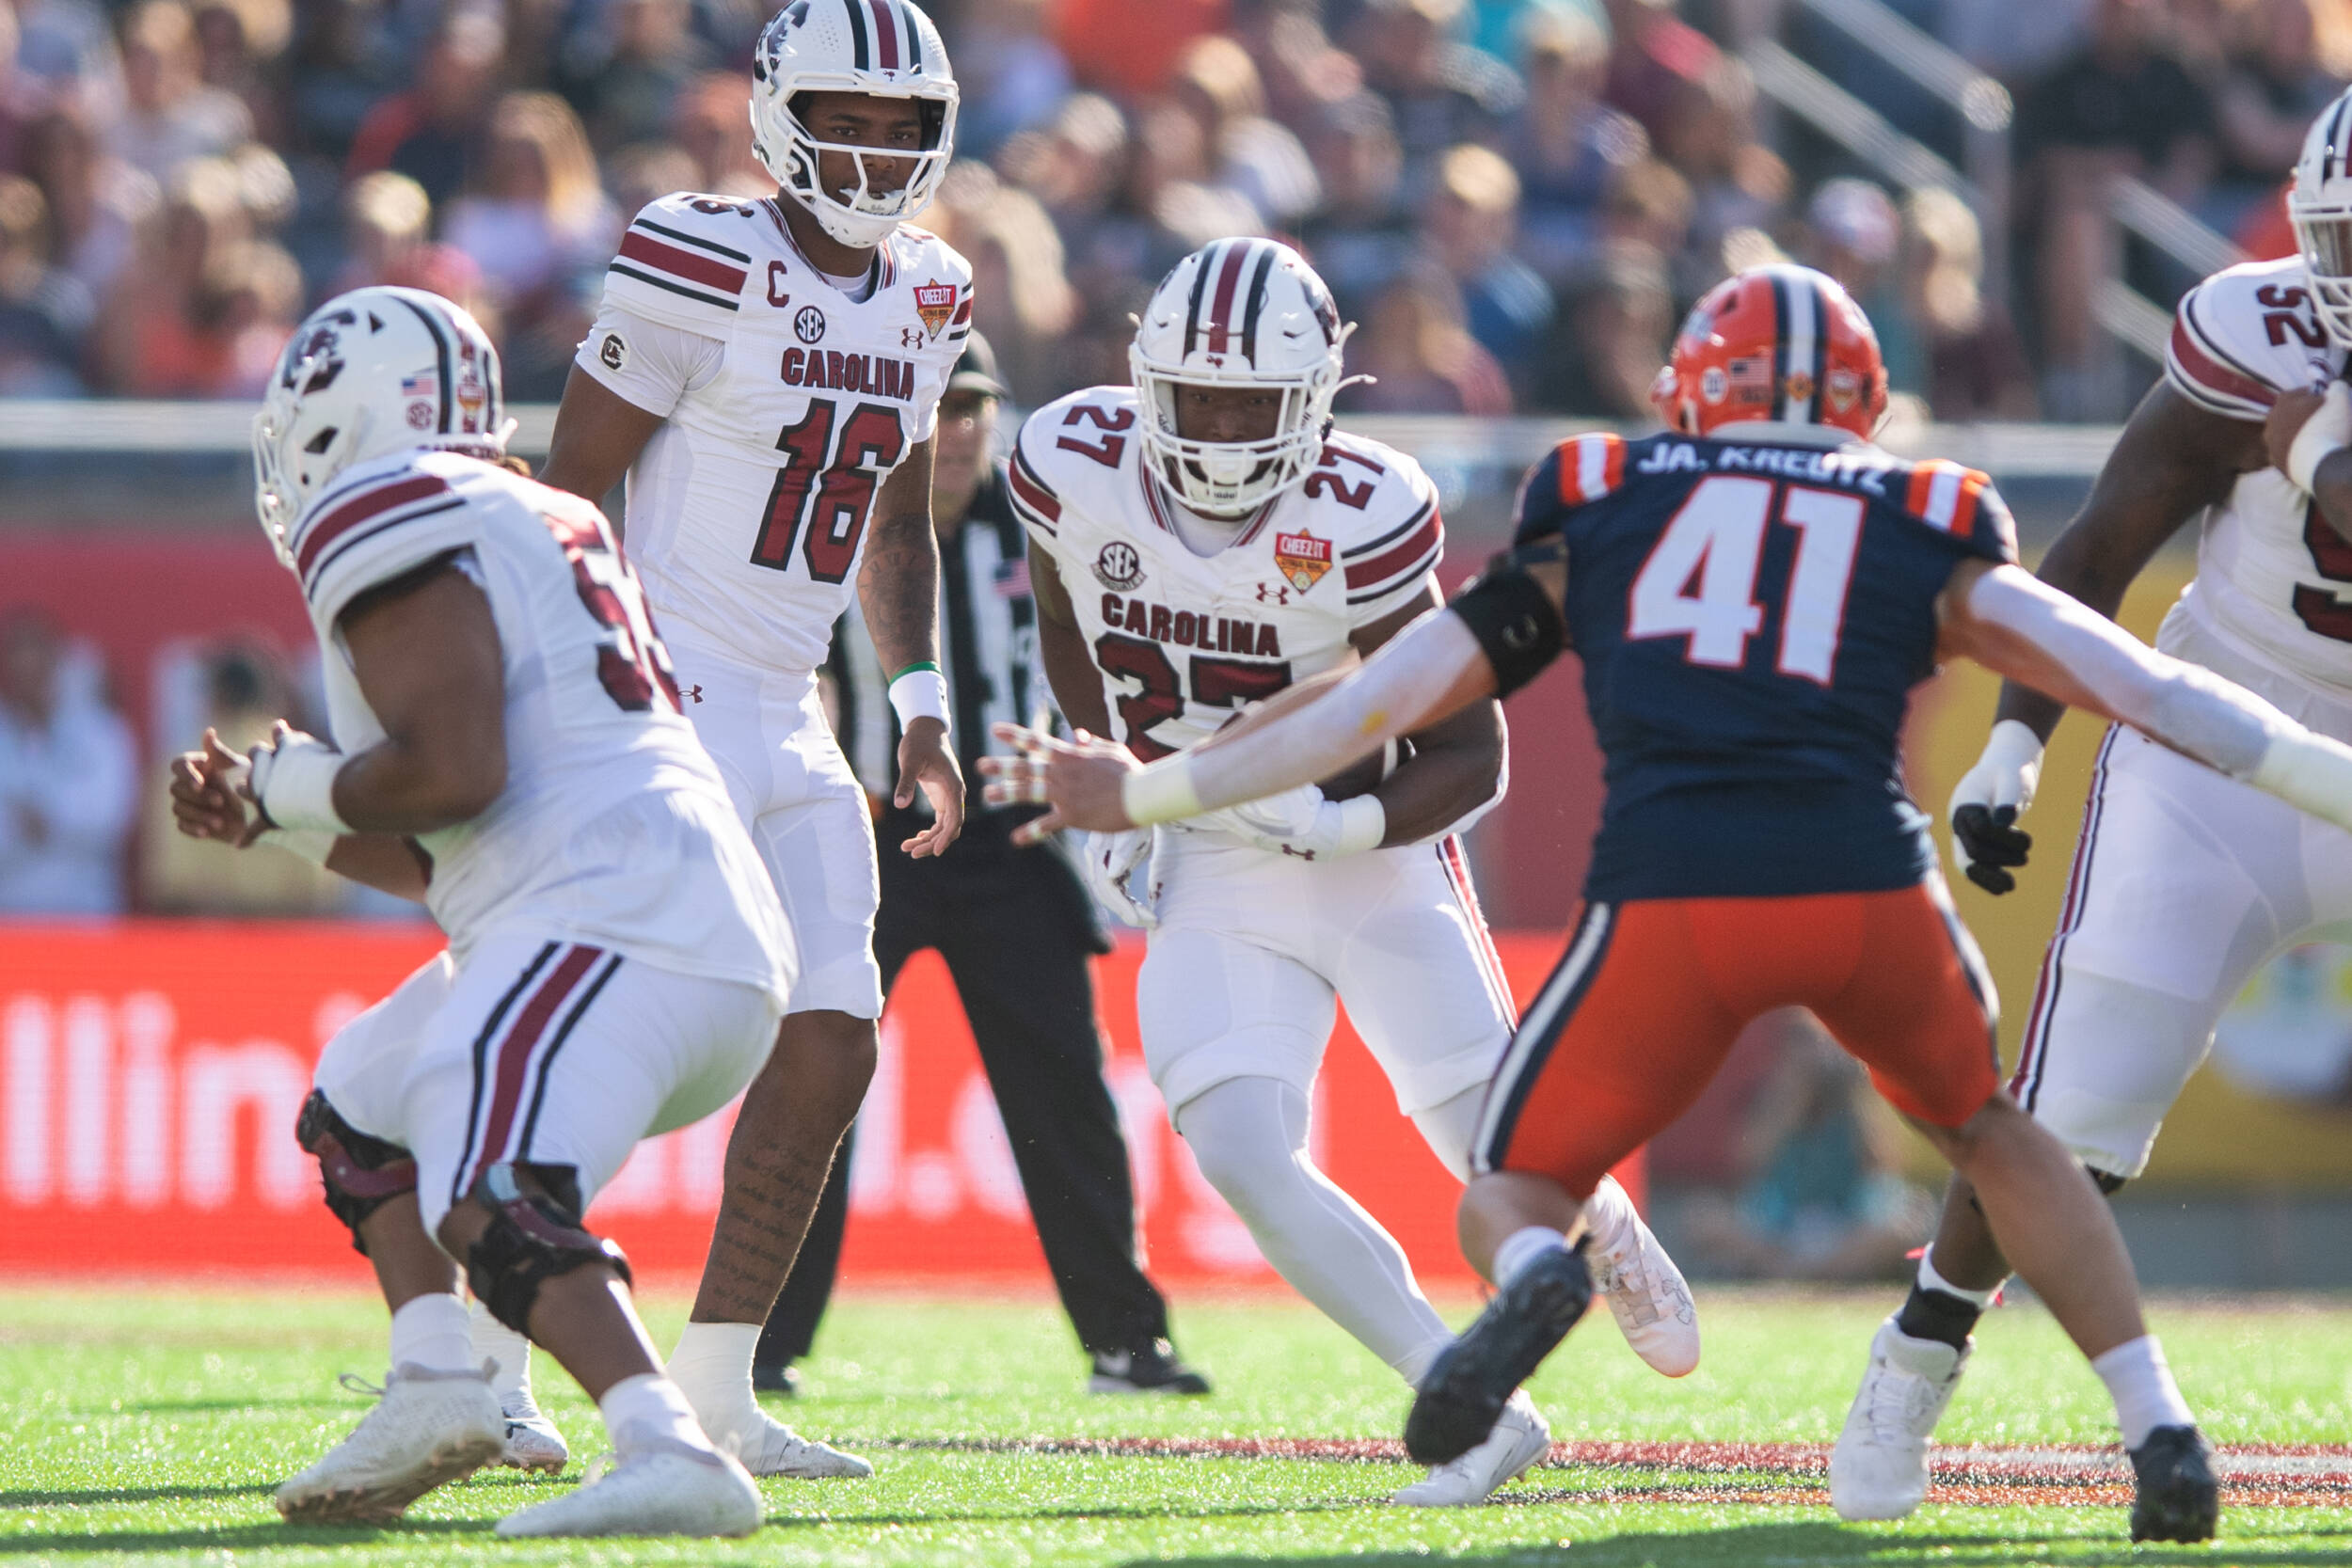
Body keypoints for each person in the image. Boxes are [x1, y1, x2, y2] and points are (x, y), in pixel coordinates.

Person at [968, 261, 2352, 1544]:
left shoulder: (1607, 497)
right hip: (1862, 886)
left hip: (1669, 896)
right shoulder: (1920, 511)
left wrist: (1151, 794)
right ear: (1868, 405)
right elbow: (2145, 681)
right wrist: (2317, 773)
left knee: (1506, 1171)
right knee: (1997, 1133)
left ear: (1686, 390)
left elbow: (1392, 699)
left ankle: (1549, 1263)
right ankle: (2154, 1411)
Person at [1002, 236, 1698, 1508]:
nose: (1213, 430)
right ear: (1144, 379)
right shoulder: (1071, 462)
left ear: (1316, 398)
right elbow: (1064, 624)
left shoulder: (1363, 511)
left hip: (1366, 850)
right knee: (1242, 1149)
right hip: (1207, 850)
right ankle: (1472, 1403)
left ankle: (1602, 1218)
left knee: (1484, 1140)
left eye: (1245, 403)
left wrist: (1325, 825)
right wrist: (1116, 774)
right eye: (1193, 397)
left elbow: (1468, 751)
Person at [169, 285, 796, 1537]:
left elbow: (458, 770)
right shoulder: (536, 512)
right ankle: (438, 1383)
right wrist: (276, 813)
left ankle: (665, 1440)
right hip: (652, 904)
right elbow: (446, 851)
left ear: (335, 415)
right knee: (362, 1104)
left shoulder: (385, 503)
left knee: (490, 1179)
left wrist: (289, 778)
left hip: (613, 910)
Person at [1829, 84, 2352, 1524]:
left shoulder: (2297, 390)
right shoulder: (2260, 329)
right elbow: (2103, 540)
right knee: (2073, 1113)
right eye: (2345, 241)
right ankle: (1918, 1350)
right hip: (2227, 756)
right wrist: (2016, 742)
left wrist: (2311, 451)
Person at [518, 0, 971, 1479]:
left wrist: (918, 705)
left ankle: (719, 1382)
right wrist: (577, 688)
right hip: (666, 684)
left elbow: (895, 515)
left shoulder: (931, 289)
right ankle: (475, 1359)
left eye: (904, 123)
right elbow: (571, 484)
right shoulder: (706, 247)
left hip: (797, 703)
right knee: (617, 1035)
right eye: (849, 114)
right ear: (783, 113)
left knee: (836, 1032)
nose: (878, 145)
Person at [754, 333, 1207, 1398]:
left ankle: (1124, 1338)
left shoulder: (1044, 522)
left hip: (1011, 837)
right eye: (934, 408)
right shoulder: (841, 523)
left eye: (971, 409)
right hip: (871, 832)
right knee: (815, 1079)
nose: (953, 431)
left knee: (1063, 1091)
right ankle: (758, 1336)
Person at [0, 607, 136, 915]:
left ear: (56, 662)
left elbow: (111, 814)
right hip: (10, 912)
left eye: (36, 666)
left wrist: (50, 815)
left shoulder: (101, 732)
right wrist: (18, 826)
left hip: (83, 912)